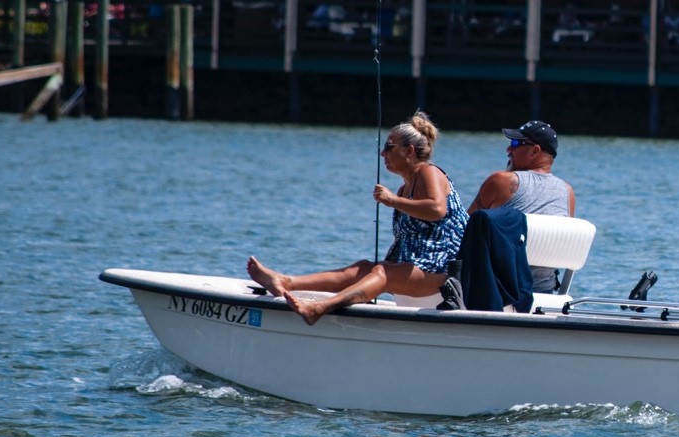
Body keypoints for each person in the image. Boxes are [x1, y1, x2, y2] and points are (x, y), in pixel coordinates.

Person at [246, 111, 468, 324]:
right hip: (419, 266)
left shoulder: (429, 172)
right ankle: (286, 282)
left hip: (443, 270)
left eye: (389, 147)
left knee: (382, 272)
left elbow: (436, 209)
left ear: (409, 151)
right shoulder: (404, 188)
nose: (383, 153)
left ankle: (319, 309)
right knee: (363, 268)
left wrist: (391, 201)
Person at [467, 119, 575, 293]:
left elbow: (465, 230)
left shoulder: (502, 181)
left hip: (497, 291)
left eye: (516, 143)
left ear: (535, 150)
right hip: (545, 292)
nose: (509, 149)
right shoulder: (567, 192)